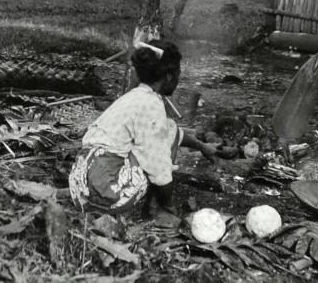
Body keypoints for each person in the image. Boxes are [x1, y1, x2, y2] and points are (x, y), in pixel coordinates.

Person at [68, 40, 218, 226]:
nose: (178, 80)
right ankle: (157, 210)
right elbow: (158, 164)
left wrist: (201, 146)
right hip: (105, 194)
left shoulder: (134, 97)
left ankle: (117, 200)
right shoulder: (151, 105)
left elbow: (169, 130)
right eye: (178, 73)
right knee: (156, 155)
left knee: (163, 131)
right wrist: (169, 204)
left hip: (79, 187)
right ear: (170, 76)